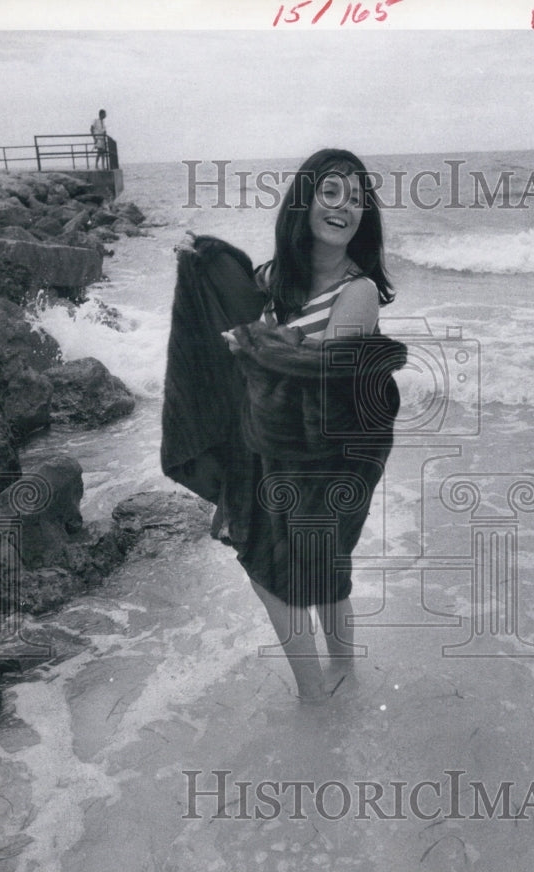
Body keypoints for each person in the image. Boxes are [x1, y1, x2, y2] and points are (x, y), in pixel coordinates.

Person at [162, 149, 406, 704]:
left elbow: (321, 374)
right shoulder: (273, 278)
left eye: (357, 198)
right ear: (304, 201)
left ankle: (316, 694)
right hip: (267, 449)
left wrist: (254, 344)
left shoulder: (358, 291)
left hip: (327, 457)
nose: (345, 206)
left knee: (280, 570)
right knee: (318, 572)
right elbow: (229, 308)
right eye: (331, 191)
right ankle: (342, 676)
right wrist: (204, 261)